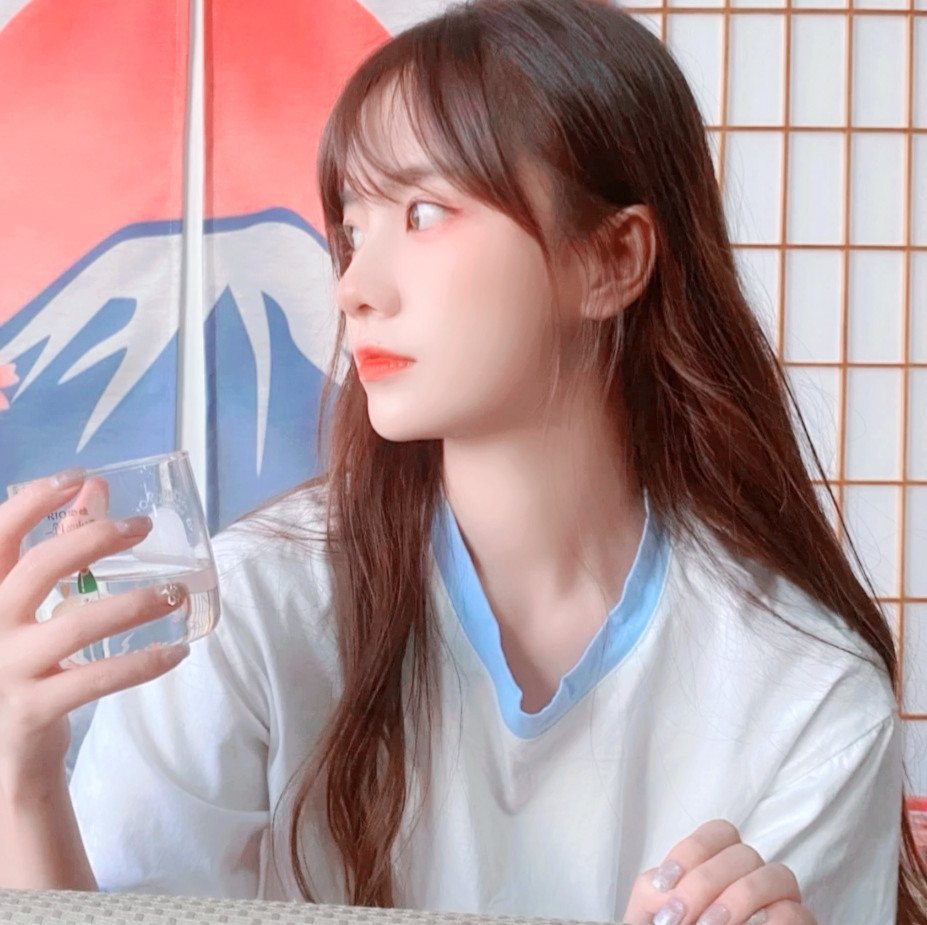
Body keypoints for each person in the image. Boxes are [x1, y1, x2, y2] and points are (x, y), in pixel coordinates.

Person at [0, 0, 922, 922]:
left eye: (424, 212)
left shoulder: (804, 692)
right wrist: (24, 779)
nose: (354, 287)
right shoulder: (247, 613)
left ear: (611, 260)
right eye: (352, 228)